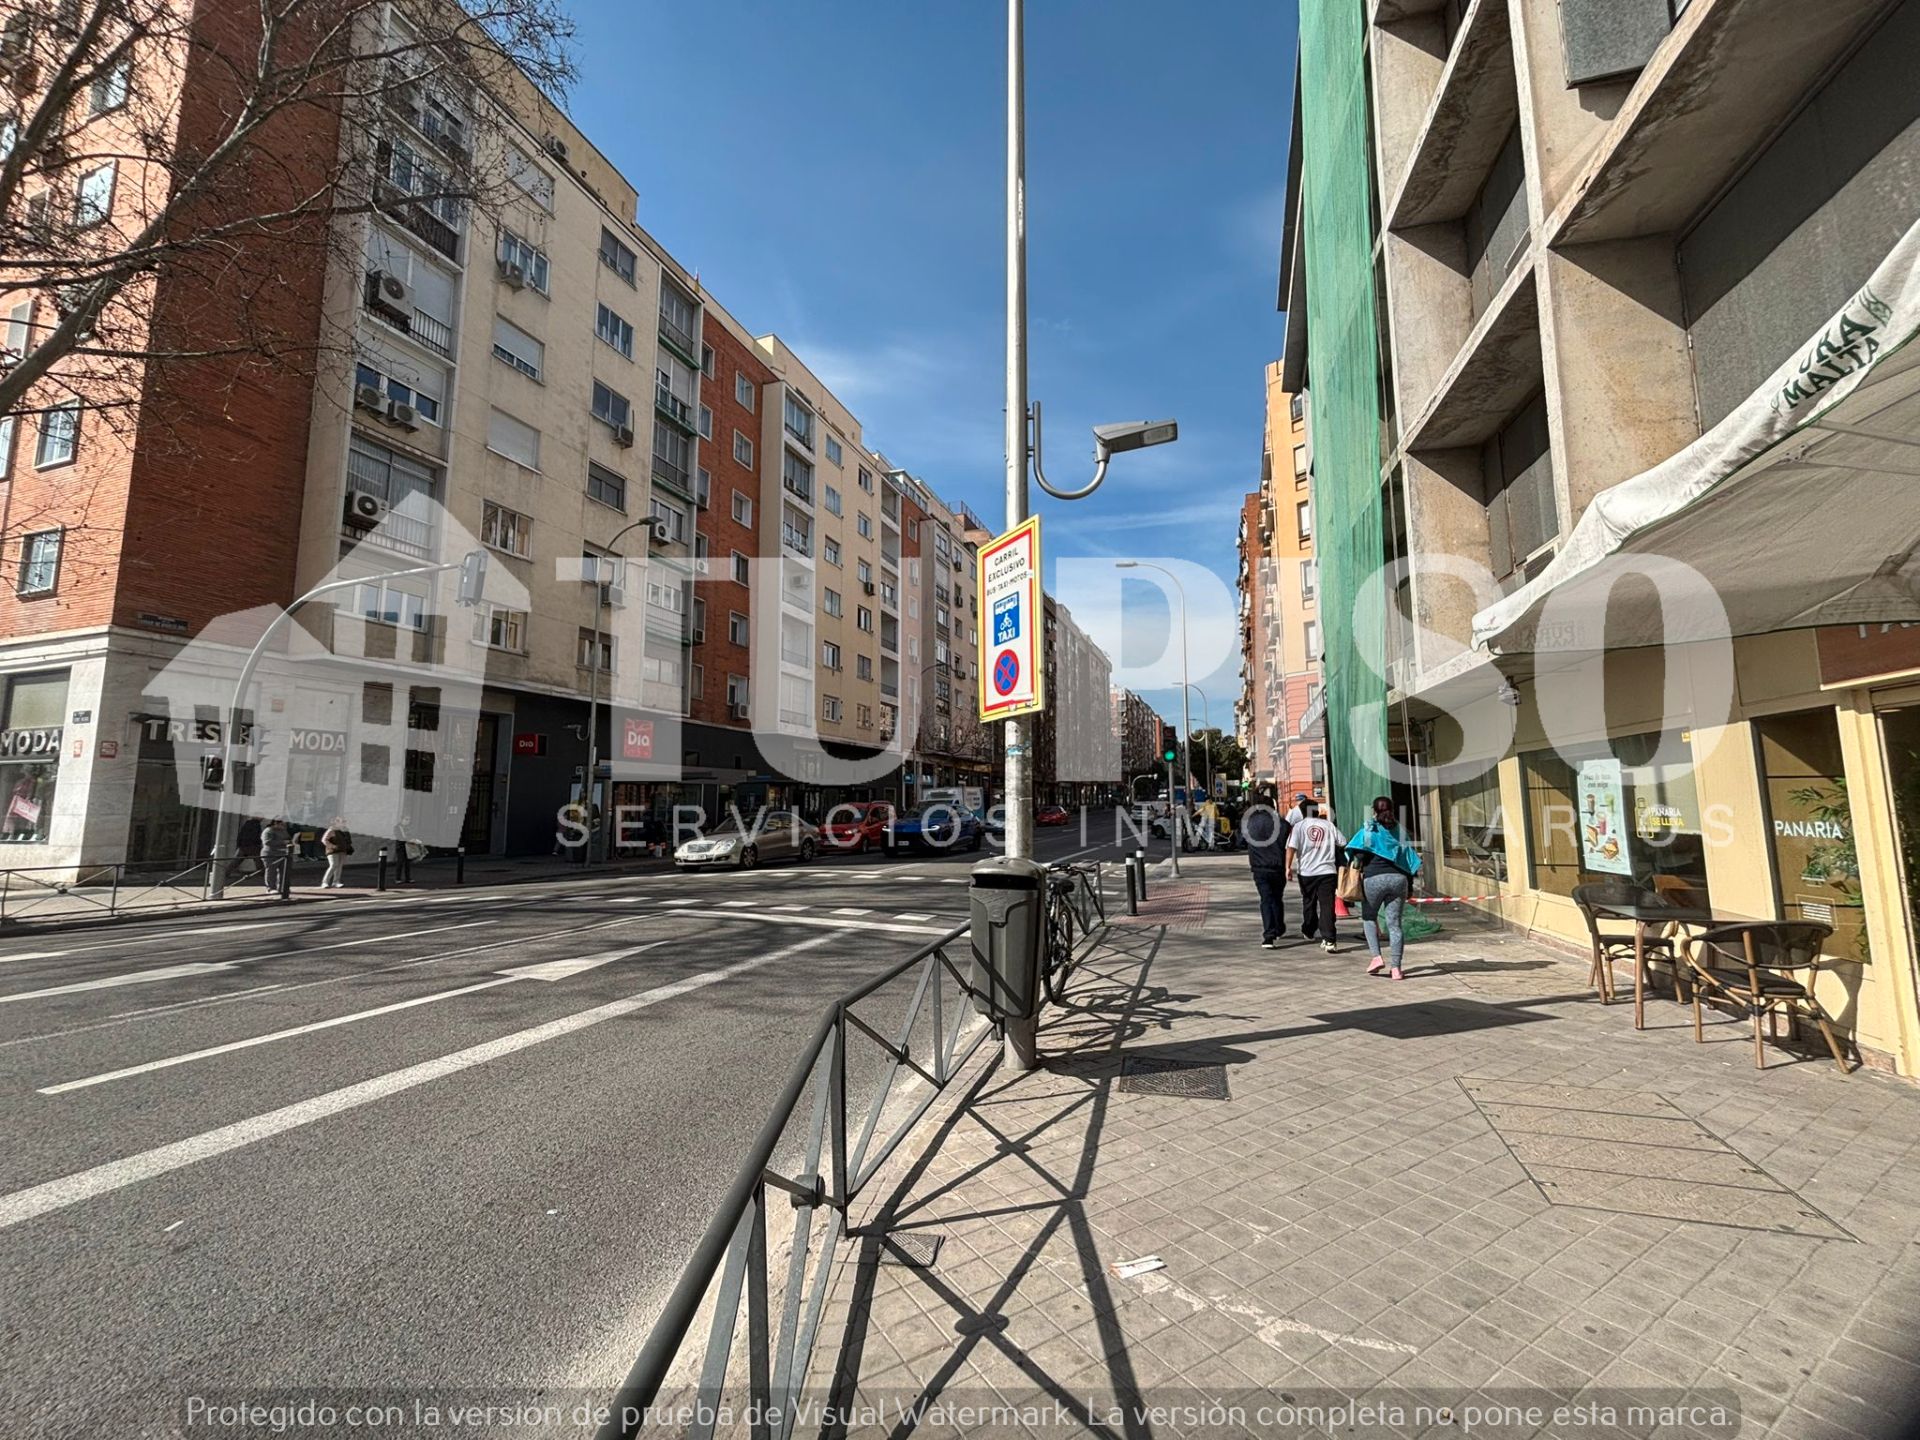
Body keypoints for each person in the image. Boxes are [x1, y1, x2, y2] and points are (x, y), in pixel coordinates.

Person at [1347, 795, 1423, 980]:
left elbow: (1358, 856)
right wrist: (1409, 886)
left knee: (1369, 918)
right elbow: (1408, 860)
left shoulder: (1370, 830)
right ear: (1392, 810)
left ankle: (1376, 957)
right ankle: (1396, 969)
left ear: (1374, 811)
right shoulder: (1400, 831)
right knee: (1395, 925)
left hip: (1374, 879)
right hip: (1399, 880)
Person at [1286, 799, 1346, 952]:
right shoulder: (1328, 825)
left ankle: (1309, 930)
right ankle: (1329, 939)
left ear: (1302, 812)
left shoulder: (1298, 827)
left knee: (1309, 902)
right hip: (1327, 871)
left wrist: (1287, 867)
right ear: (1317, 811)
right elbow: (1342, 841)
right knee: (1327, 905)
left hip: (1306, 872)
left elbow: (1291, 848)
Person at [1242, 804, 1291, 948]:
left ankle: (1269, 935)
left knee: (1266, 899)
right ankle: (1279, 927)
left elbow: (1241, 841)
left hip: (1259, 867)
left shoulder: (1249, 822)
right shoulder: (1282, 823)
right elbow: (1288, 840)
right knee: (1277, 898)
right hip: (1278, 866)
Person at [321, 816, 353, 889]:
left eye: (344, 821)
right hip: (332, 851)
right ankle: (325, 882)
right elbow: (324, 840)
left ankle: (336, 882)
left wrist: (347, 846)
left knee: (339, 866)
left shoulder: (344, 830)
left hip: (342, 850)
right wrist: (332, 846)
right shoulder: (331, 830)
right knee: (333, 865)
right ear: (336, 822)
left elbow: (348, 839)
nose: (344, 823)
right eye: (342, 821)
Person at [260, 817, 291, 892]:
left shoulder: (283, 830)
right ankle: (271, 888)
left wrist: (291, 841)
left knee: (284, 871)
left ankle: (283, 888)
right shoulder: (268, 831)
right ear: (275, 823)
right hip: (271, 853)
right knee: (271, 871)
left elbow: (288, 838)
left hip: (283, 853)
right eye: (281, 824)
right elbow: (267, 842)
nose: (283, 826)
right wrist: (283, 842)